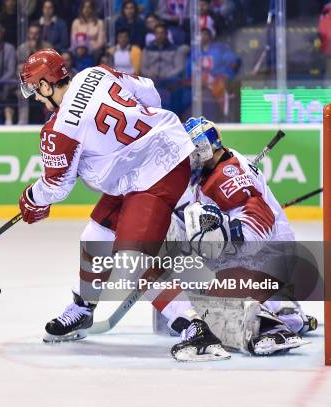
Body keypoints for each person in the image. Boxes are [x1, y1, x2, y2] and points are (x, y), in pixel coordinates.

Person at [18, 48, 230, 362]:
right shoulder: (95, 73)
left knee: (132, 263)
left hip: (155, 176)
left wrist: (32, 199)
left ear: (47, 86)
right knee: (96, 234)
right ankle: (83, 307)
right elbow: (150, 92)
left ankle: (195, 330)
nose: (36, 98)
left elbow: (57, 186)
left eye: (36, 90)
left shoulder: (59, 129)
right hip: (158, 156)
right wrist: (138, 140)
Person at [169, 116, 316, 355]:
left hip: (265, 258)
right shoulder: (220, 168)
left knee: (210, 306)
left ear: (203, 148)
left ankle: (272, 327)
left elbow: (261, 219)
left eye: (190, 150)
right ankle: (286, 313)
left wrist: (231, 236)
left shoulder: (225, 175)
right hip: (272, 260)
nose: (188, 158)